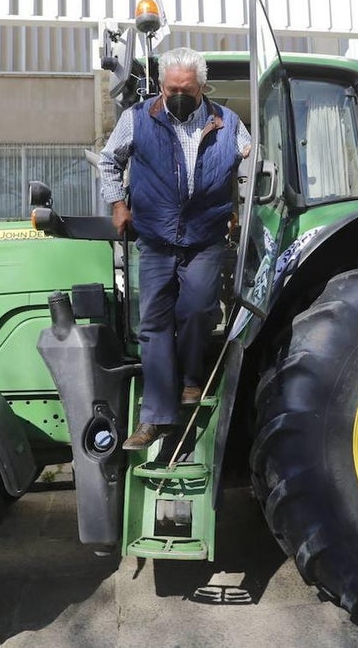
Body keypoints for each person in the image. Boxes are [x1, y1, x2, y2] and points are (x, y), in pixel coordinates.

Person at [98, 47, 252, 451]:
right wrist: (118, 204)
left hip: (205, 237)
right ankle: (155, 417)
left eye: (187, 90)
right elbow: (109, 161)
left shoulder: (228, 124)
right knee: (153, 324)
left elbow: (252, 162)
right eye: (171, 90)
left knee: (198, 311)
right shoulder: (138, 119)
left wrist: (244, 197)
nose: (178, 96)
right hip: (155, 238)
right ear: (162, 86)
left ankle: (191, 379)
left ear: (202, 87)